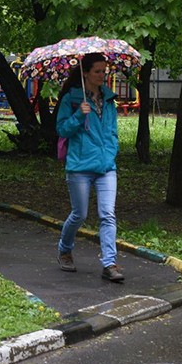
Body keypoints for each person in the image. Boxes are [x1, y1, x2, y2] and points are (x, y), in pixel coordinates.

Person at [55, 52, 124, 282]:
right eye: (97, 71)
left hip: (106, 167)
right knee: (80, 214)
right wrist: (77, 115)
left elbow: (112, 130)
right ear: (86, 73)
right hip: (80, 166)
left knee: (107, 214)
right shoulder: (72, 99)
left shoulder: (109, 99)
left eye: (104, 72)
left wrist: (112, 150)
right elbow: (62, 130)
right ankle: (65, 249)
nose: (102, 76)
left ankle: (109, 264)